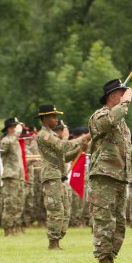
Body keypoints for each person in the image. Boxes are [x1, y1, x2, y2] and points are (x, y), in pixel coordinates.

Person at [87, 79, 132, 263]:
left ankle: (111, 257)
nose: (124, 95)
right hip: (104, 175)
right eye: (120, 93)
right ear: (112, 96)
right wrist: (125, 103)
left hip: (120, 176)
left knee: (119, 221)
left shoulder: (122, 122)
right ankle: (103, 260)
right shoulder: (99, 116)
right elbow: (109, 122)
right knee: (104, 219)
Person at [36, 105, 89, 249]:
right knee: (56, 209)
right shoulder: (44, 135)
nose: (56, 119)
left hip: (59, 175)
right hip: (51, 176)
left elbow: (65, 157)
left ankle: (58, 239)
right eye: (53, 116)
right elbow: (62, 147)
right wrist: (83, 138)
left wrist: (80, 149)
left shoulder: (52, 135)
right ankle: (53, 242)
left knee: (65, 209)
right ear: (45, 118)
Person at [0, 117, 26, 236]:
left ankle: (15, 227)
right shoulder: (6, 140)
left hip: (18, 175)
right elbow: (5, 147)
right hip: (10, 176)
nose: (18, 129)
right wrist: (17, 132)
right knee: (10, 204)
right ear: (10, 129)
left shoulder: (15, 141)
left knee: (19, 203)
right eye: (15, 127)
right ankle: (8, 229)